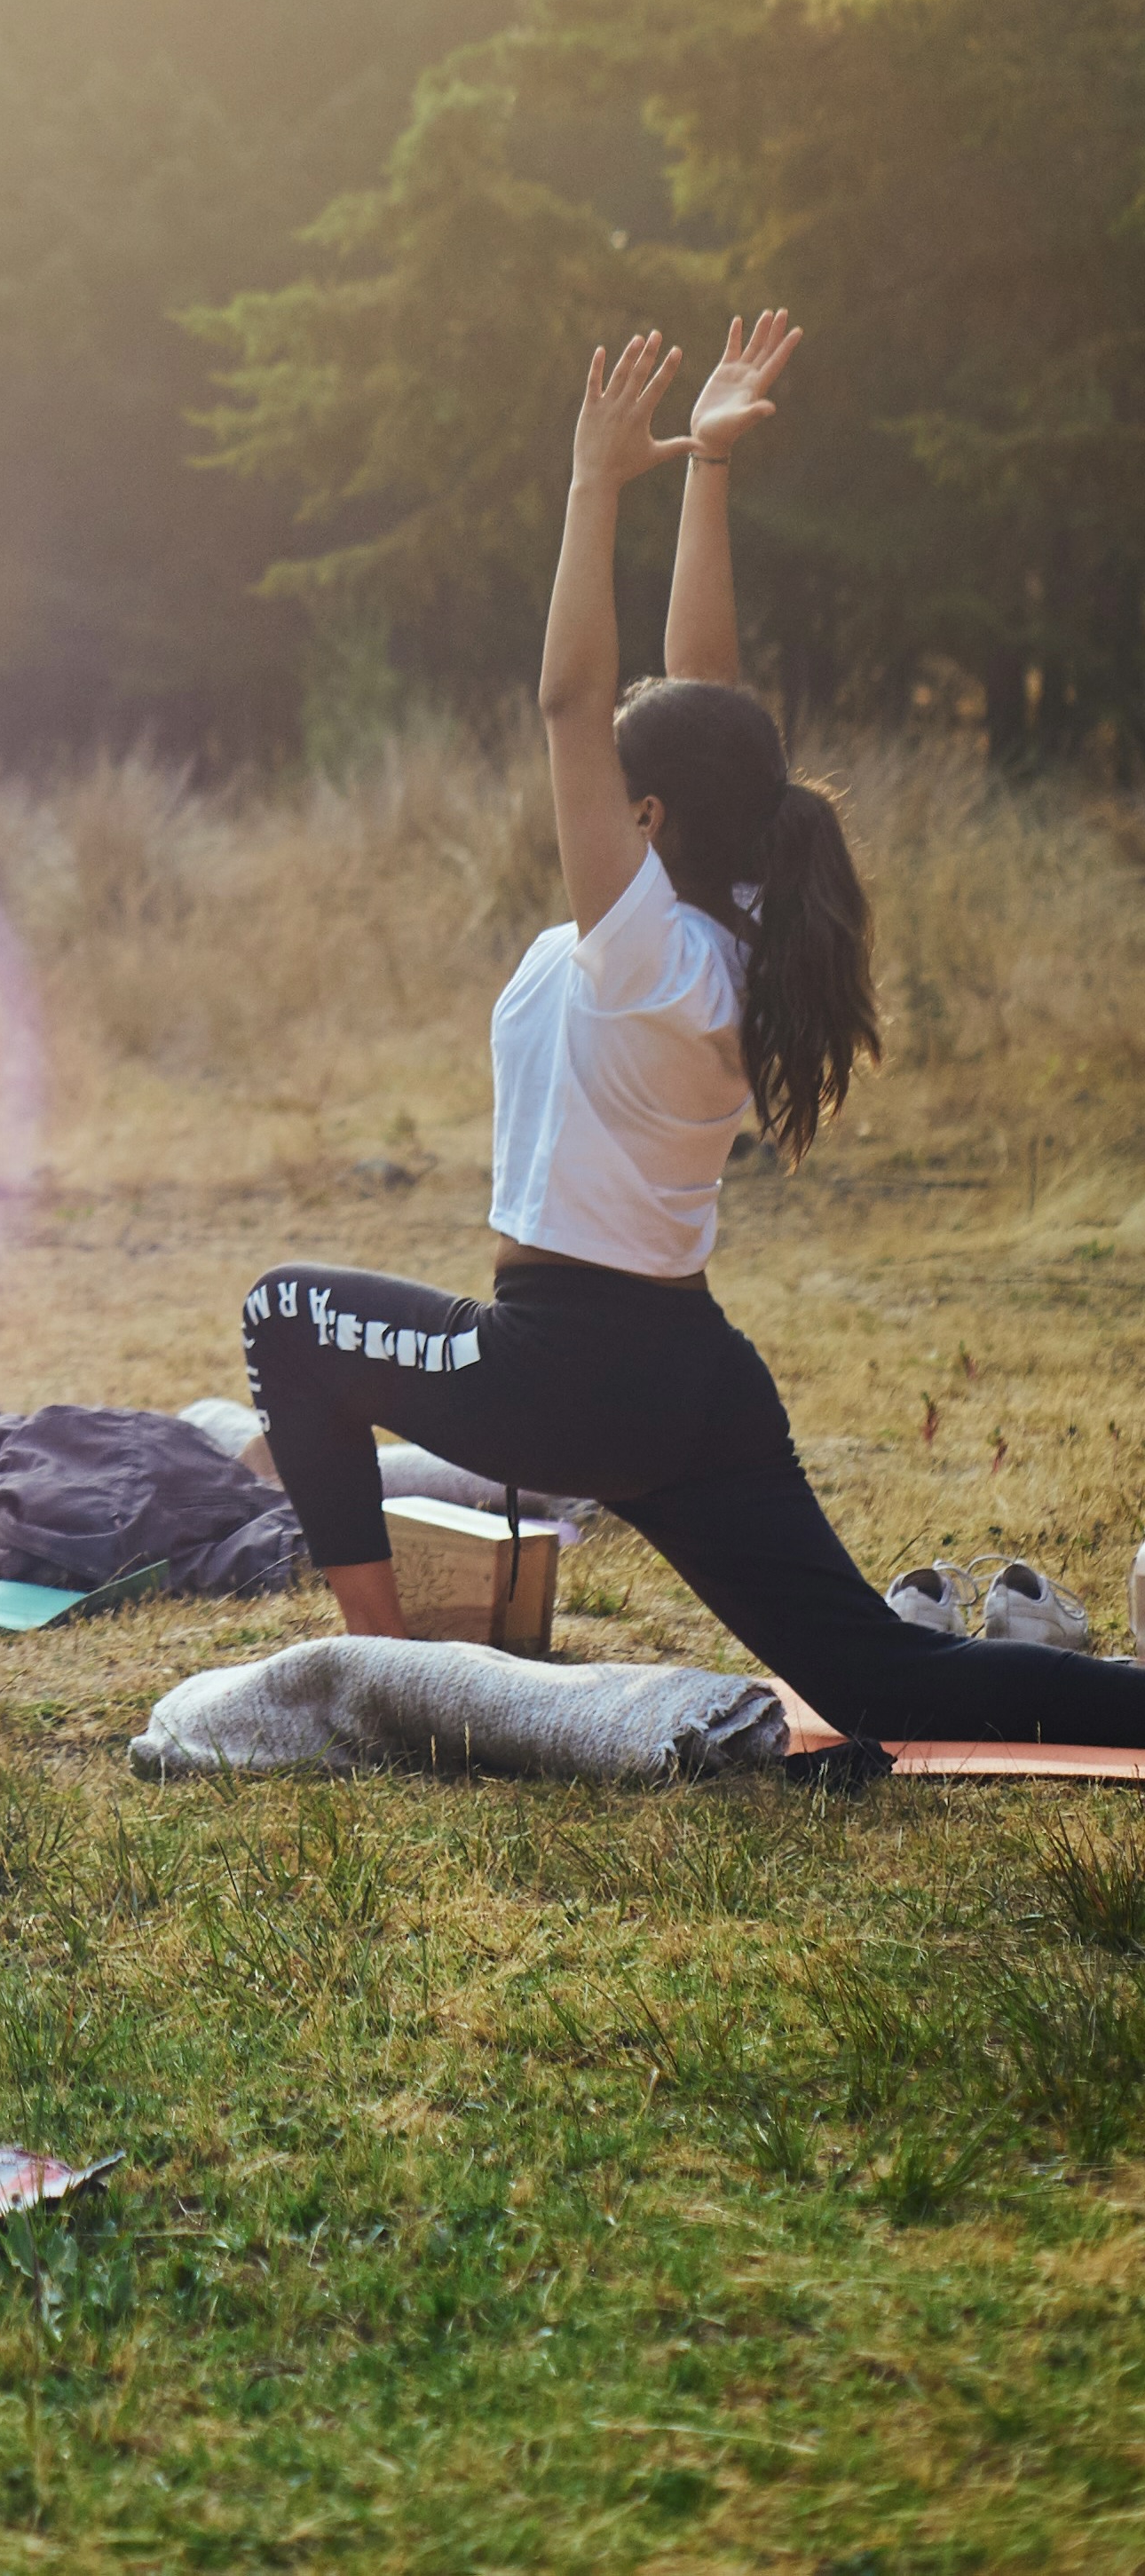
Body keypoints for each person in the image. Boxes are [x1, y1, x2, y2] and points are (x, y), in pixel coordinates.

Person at [239, 313, 1145, 1746]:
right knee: (882, 1683)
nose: (598, 774)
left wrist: (596, 483)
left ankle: (395, 1676)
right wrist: (707, 469)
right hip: (689, 1379)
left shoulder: (649, 947)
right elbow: (699, 694)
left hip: (565, 1372)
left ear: (644, 814)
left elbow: (568, 697)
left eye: (619, 777)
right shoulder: (724, 918)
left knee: (281, 1316)